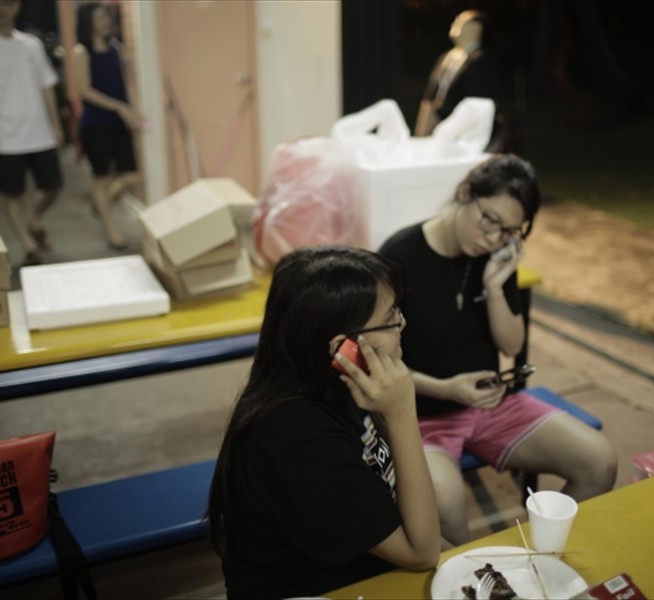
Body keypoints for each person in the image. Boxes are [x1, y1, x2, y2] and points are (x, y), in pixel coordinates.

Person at [379, 154, 617, 545]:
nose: (492, 239)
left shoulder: (494, 257)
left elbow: (512, 345)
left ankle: (533, 562)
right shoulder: (398, 257)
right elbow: (378, 363)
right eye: (489, 220)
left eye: (508, 231)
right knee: (446, 504)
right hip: (421, 415)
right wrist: (446, 389)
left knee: (599, 462)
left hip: (492, 405)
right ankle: (477, 573)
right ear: (465, 193)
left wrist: (494, 286)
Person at [207, 246, 440, 598]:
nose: (402, 325)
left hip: (365, 569)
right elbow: (422, 553)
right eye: (391, 317)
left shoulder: (344, 384)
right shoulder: (298, 437)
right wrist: (402, 413)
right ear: (343, 349)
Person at [73, 2, 144, 250]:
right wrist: (118, 107)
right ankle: (111, 230)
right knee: (101, 178)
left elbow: (122, 84)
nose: (106, 21)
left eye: (107, 17)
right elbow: (85, 91)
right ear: (89, 22)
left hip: (119, 122)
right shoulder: (82, 52)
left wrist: (131, 109)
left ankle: (100, 203)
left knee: (131, 176)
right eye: (100, 18)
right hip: (96, 125)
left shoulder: (116, 47)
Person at [0, 0, 64, 266]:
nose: (2, 10)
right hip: (6, 137)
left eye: (7, 4)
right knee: (12, 195)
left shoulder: (31, 45)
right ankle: (29, 247)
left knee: (52, 187)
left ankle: (34, 220)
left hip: (39, 132)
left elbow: (46, 86)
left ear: (16, 7)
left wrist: (56, 125)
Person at [415, 9, 500, 143]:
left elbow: (477, 105)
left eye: (460, 21)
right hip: (435, 127)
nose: (455, 23)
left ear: (476, 27)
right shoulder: (447, 57)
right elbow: (430, 94)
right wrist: (423, 128)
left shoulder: (481, 60)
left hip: (459, 134)